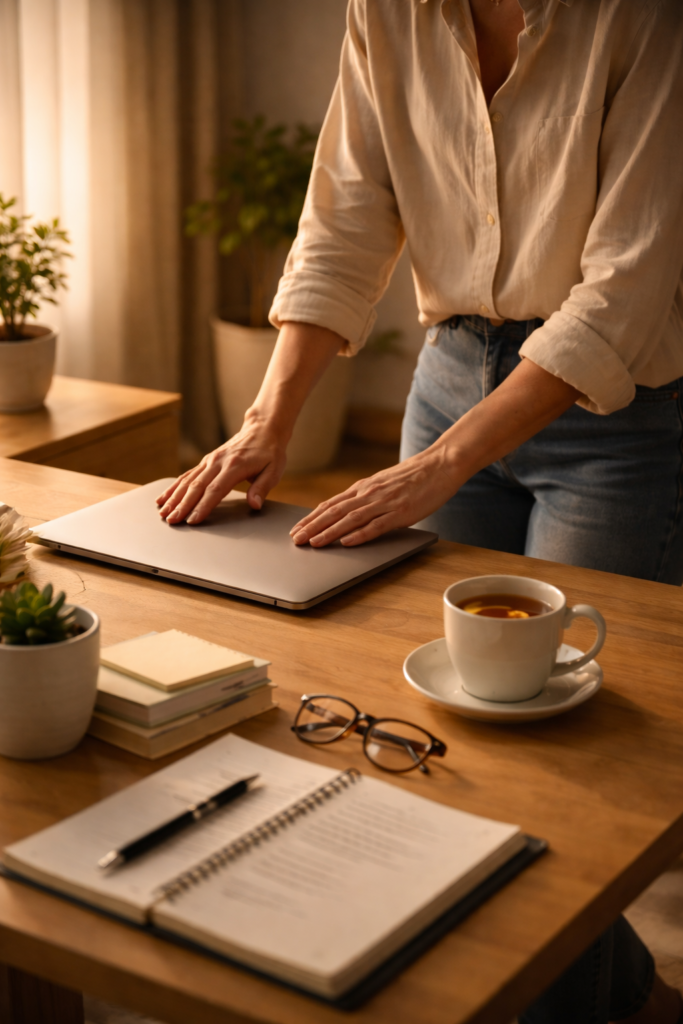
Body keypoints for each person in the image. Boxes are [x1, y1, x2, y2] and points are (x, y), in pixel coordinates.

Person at [158, 1, 683, 1020]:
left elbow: (625, 286)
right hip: (450, 373)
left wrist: (439, 466)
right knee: (426, 723)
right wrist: (266, 421)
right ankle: (566, 987)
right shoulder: (387, 10)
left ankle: (602, 998)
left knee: (563, 753)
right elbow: (345, 216)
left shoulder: (643, 16)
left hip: (613, 412)